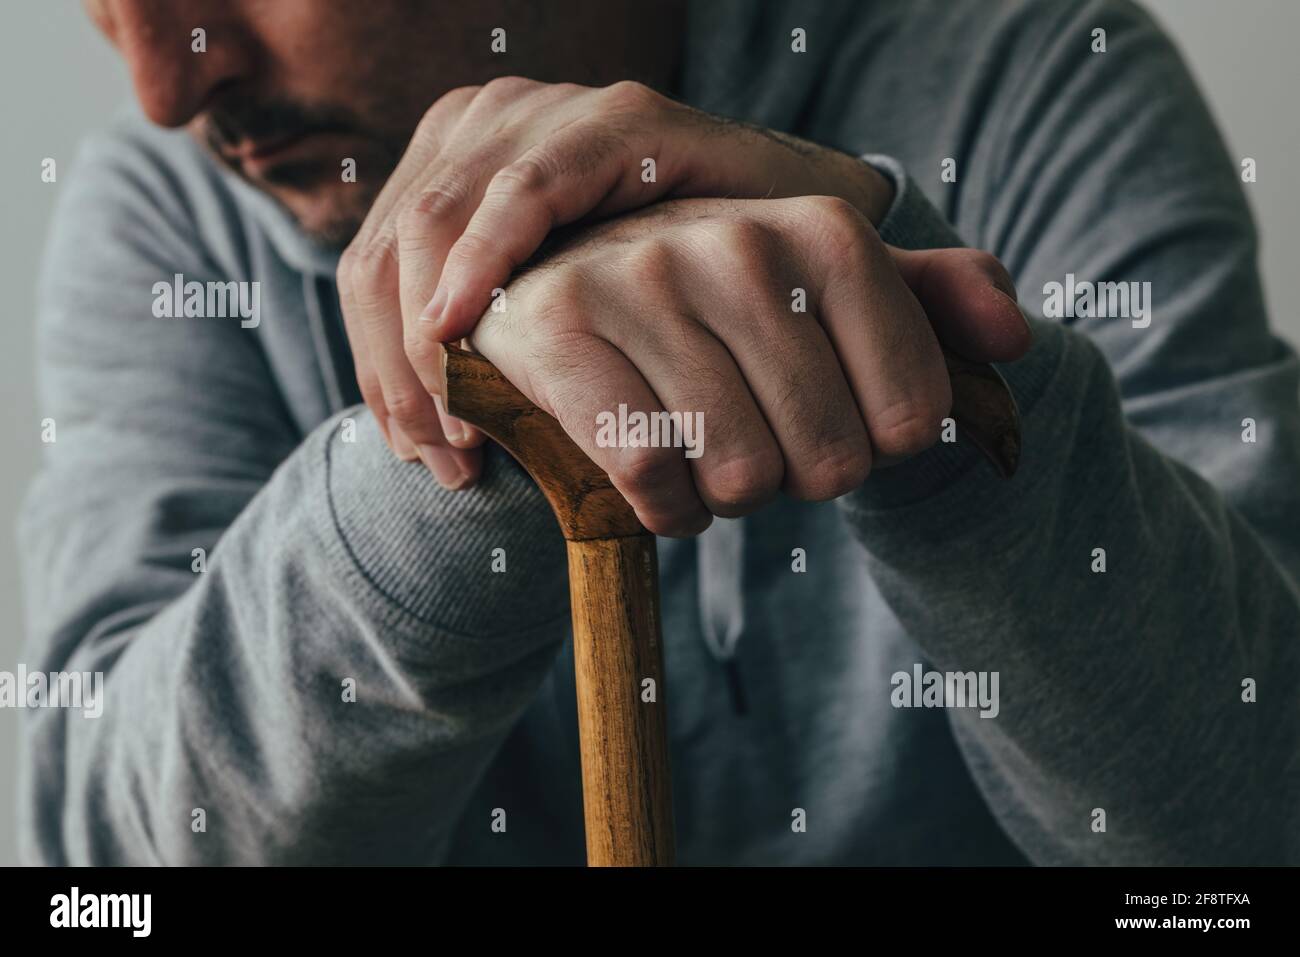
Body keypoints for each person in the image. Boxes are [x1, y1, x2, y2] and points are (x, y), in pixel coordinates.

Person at [19, 0, 1299, 865]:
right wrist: (482, 418)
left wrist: (918, 361)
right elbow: (107, 861)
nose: (170, 85)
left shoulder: (1035, 65)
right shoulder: (168, 214)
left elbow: (1248, 826)